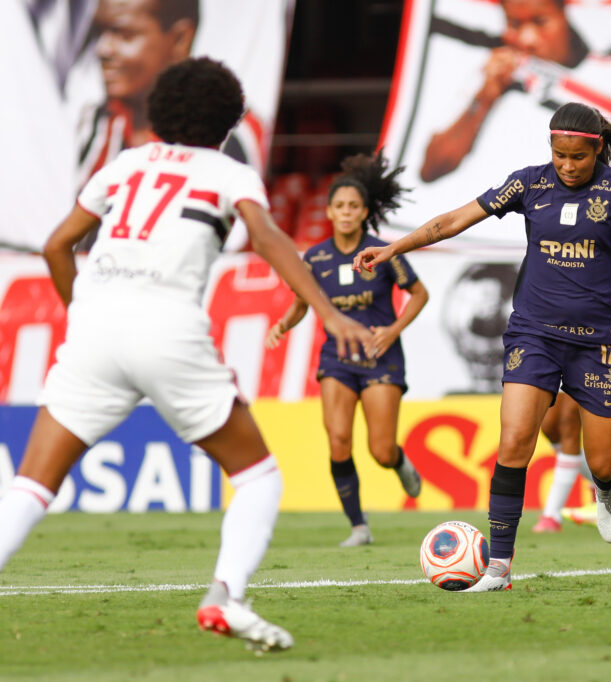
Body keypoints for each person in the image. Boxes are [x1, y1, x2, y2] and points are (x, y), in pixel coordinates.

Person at [0, 57, 375, 651]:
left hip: (94, 331)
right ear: (228, 124)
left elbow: (56, 246)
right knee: (257, 478)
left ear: (157, 115)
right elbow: (268, 235)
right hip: (166, 328)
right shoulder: (227, 173)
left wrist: (84, 313)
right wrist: (328, 312)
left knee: (31, 485)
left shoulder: (124, 165)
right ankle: (225, 595)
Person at [355, 101, 611, 592]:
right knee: (514, 443)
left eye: (577, 158)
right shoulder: (529, 183)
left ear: (596, 151)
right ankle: (499, 567)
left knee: (603, 462)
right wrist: (395, 247)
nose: (567, 165)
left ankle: (607, 492)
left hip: (600, 343)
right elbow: (457, 219)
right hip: (535, 334)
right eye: (559, 154)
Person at [266, 153, 428, 547]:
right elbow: (303, 303)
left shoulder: (383, 252)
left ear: (364, 212)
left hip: (380, 357)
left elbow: (419, 294)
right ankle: (358, 526)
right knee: (338, 439)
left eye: (353, 206)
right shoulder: (316, 257)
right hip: (337, 359)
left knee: (380, 449)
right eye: (339, 205)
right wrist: (284, 324)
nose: (345, 212)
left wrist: (392, 329)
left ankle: (398, 461)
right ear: (329, 210)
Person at [419, 0, 611, 183]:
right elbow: (432, 168)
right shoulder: (491, 73)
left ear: (566, 15)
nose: (527, 39)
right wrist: (487, 94)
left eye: (540, 22)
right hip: (501, 239)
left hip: (579, 234)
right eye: (515, 24)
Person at [77, 0, 266, 191]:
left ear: (180, 39)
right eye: (98, 33)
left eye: (125, 35)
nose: (103, 49)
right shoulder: (97, 121)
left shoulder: (231, 131)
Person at [531, 392, 594, 533]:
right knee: (549, 426)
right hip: (558, 370)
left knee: (568, 421)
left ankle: (551, 515)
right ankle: (603, 483)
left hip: (585, 371)